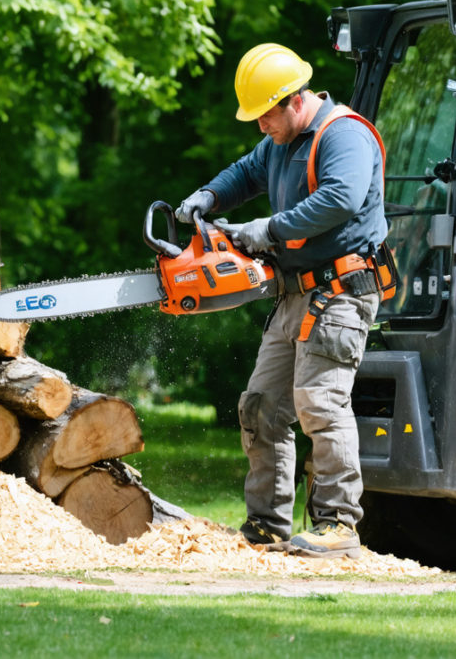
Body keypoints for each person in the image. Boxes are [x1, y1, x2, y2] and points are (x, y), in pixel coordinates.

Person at [176, 43, 388, 559]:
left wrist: (267, 229)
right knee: (261, 407)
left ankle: (338, 524)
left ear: (295, 100)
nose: (260, 126)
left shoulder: (344, 135)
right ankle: (267, 524)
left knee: (321, 402)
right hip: (295, 291)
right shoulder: (280, 140)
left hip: (340, 292)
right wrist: (208, 197)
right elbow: (245, 172)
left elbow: (340, 198)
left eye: (265, 115)